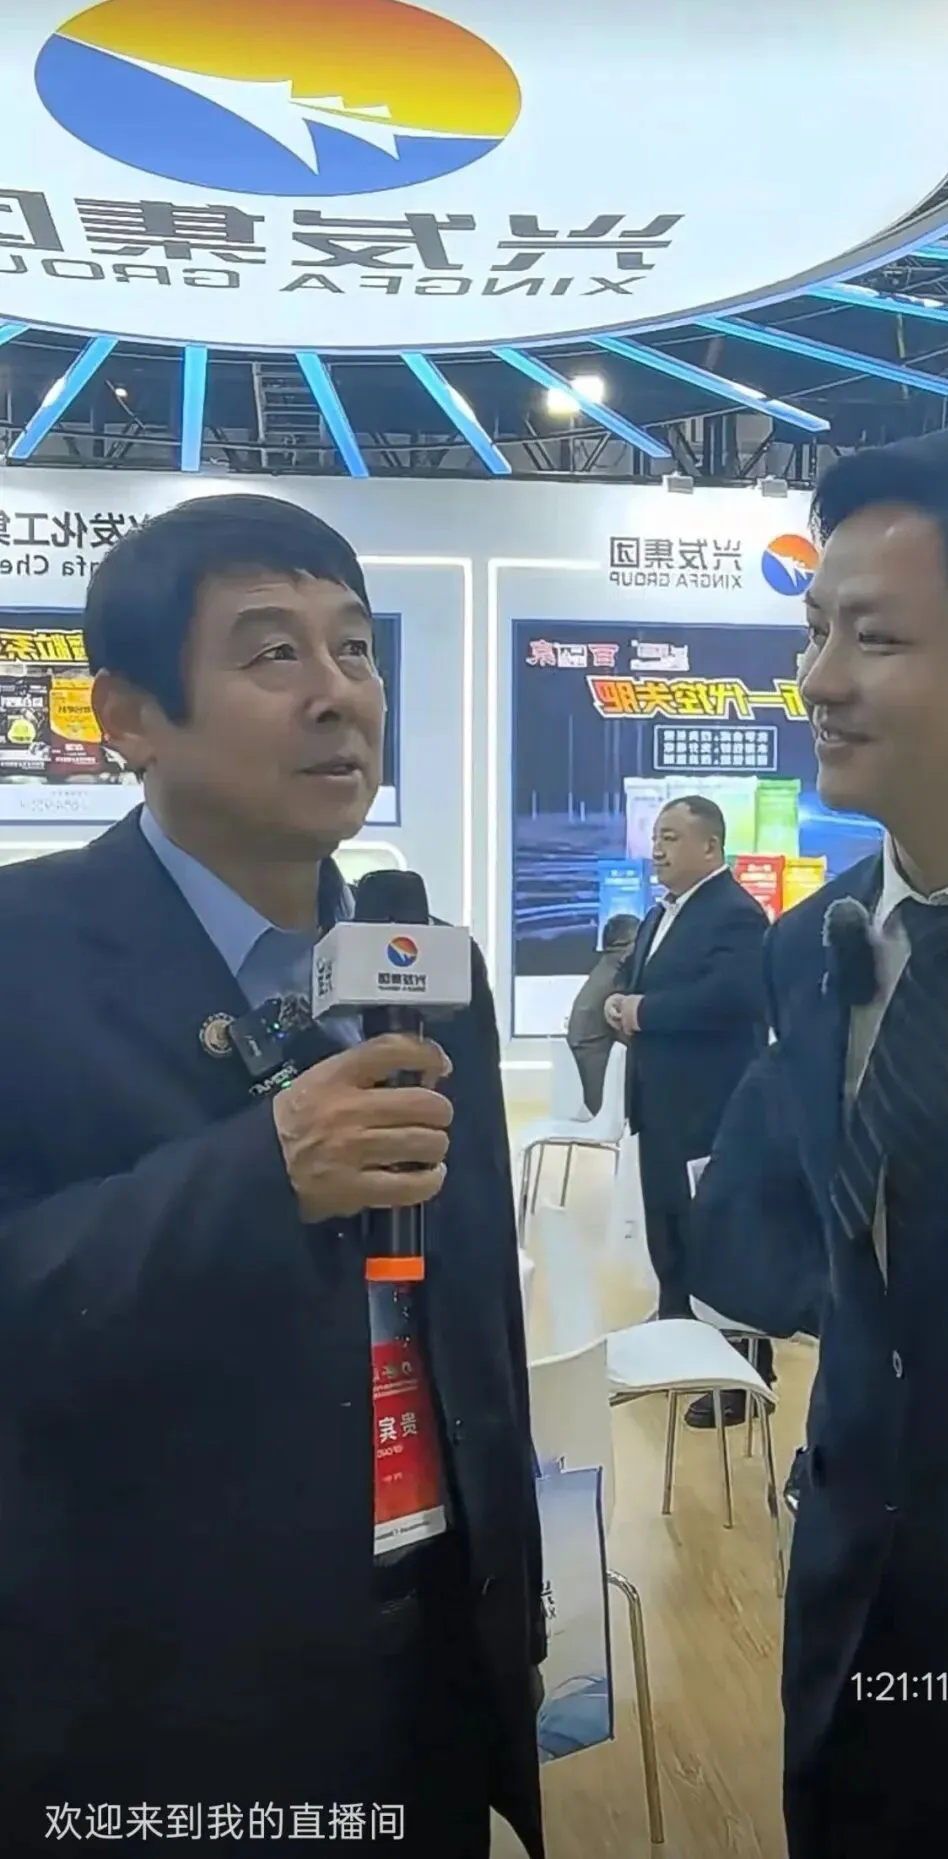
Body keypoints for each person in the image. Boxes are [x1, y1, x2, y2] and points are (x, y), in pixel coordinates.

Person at [0, 495, 544, 1858]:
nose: (336, 694)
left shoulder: (428, 966)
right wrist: (260, 1172)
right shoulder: (23, 953)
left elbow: (474, 1312)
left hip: (422, 1651)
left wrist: (510, 1612)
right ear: (130, 715)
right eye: (271, 654)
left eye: (354, 648)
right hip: (144, 1679)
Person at [691, 424, 948, 1858]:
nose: (819, 678)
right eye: (813, 629)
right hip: (854, 1624)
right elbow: (798, 1237)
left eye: (876, 636)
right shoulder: (809, 949)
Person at [605, 796, 767, 1346]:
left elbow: (733, 998)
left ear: (710, 846)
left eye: (671, 837)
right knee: (667, 1223)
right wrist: (618, 1005)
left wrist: (644, 1012)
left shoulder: (736, 913)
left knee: (717, 1237)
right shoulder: (658, 914)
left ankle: (737, 1358)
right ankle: (676, 1324)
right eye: (656, 836)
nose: (657, 849)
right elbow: (634, 981)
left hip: (709, 1107)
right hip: (657, 1103)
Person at [566, 911, 640, 1114]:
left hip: (588, 1092)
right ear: (630, 945)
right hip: (603, 1099)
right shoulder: (620, 976)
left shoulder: (606, 969)